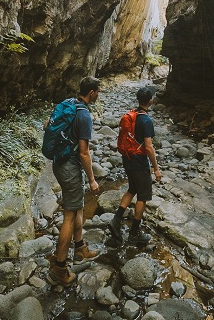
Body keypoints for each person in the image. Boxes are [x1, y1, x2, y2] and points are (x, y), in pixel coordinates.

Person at [48, 76, 101, 286]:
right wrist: (92, 180)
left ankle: (79, 248)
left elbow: (47, 125)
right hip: (70, 167)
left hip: (59, 163)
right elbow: (84, 153)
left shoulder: (68, 104)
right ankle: (59, 269)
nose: (98, 94)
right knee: (69, 216)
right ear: (92, 93)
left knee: (77, 208)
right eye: (98, 91)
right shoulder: (84, 115)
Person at [108, 86, 161, 245]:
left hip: (127, 157)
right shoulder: (146, 120)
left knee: (132, 189)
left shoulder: (132, 115)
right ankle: (134, 233)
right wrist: (156, 168)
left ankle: (116, 221)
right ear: (150, 101)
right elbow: (149, 146)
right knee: (143, 196)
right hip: (139, 160)